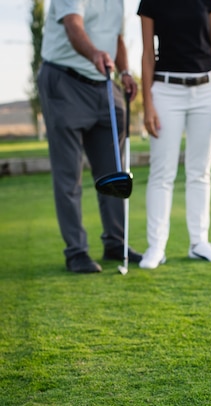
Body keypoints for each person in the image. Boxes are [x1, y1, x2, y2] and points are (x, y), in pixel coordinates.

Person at [38, 0, 143, 273]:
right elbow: (74, 26)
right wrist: (94, 53)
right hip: (65, 81)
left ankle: (115, 243)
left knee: (115, 172)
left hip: (105, 85)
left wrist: (126, 72)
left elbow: (117, 39)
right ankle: (76, 252)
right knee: (68, 174)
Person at [137, 0, 211, 269]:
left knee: (200, 172)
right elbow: (148, 55)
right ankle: (156, 247)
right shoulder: (150, 1)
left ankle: (199, 243)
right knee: (161, 173)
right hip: (166, 91)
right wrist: (148, 104)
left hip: (207, 89)